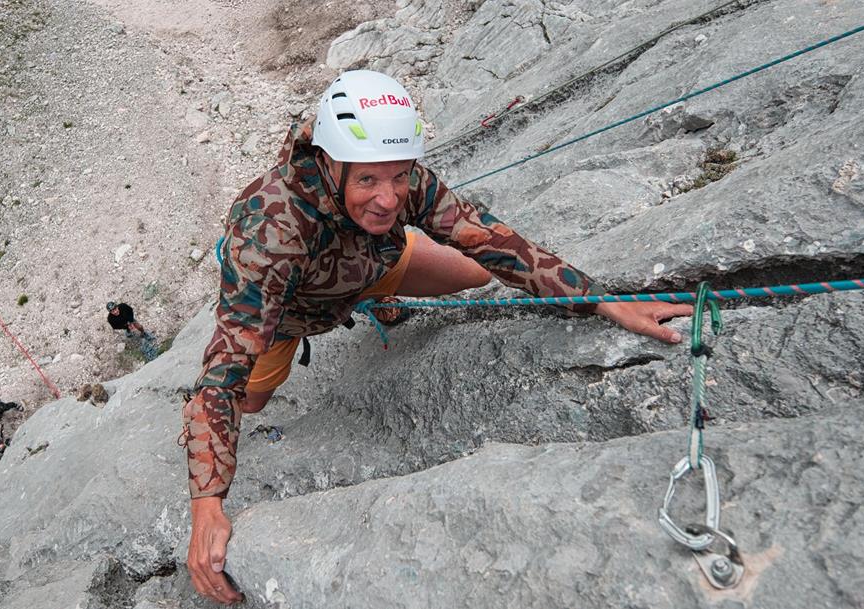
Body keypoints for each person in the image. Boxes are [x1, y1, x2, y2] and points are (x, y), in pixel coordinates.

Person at [180, 70, 693, 604]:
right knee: (252, 400)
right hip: (290, 312)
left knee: (475, 272)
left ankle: (371, 294)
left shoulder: (394, 178)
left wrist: (601, 299)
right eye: (369, 182)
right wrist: (208, 504)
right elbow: (221, 378)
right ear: (331, 164)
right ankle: (360, 295)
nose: (388, 198)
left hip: (370, 265)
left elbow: (487, 238)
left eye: (400, 177)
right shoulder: (272, 230)